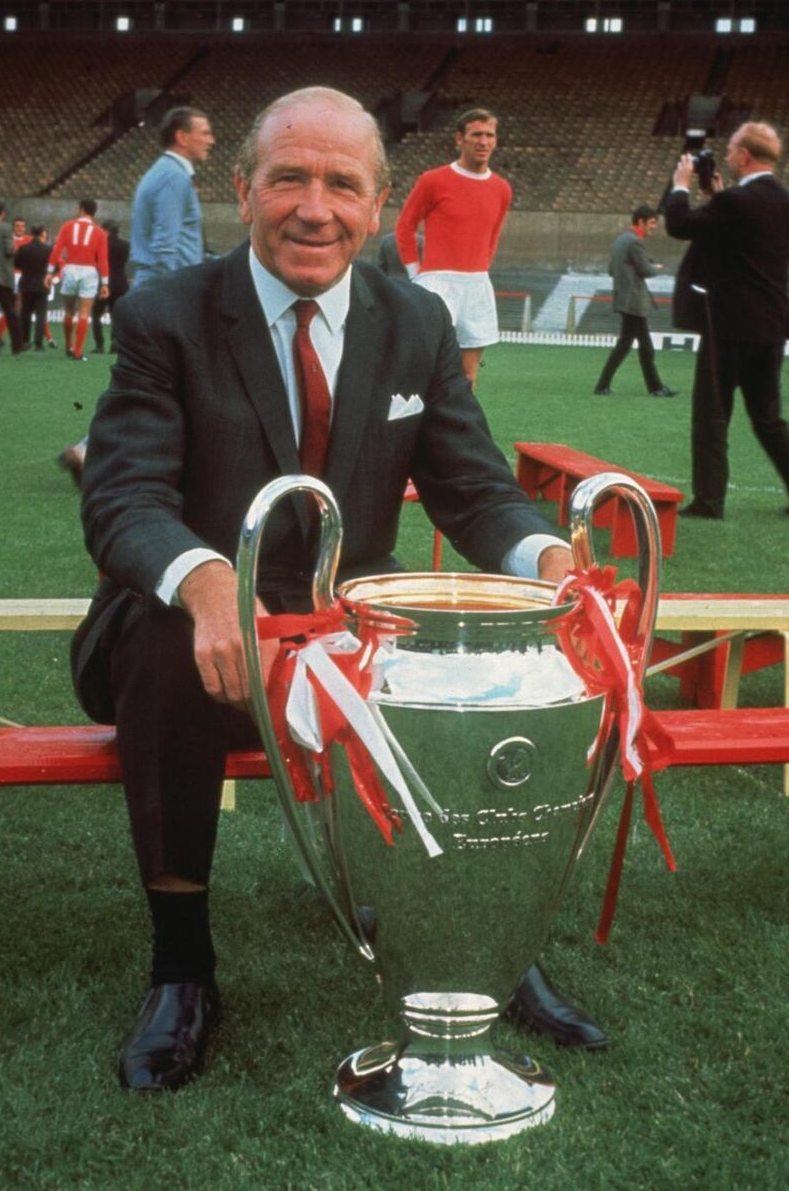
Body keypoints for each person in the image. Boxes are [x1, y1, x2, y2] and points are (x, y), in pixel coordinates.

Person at [71, 86, 605, 1094]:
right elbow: (123, 496)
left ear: (374, 202)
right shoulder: (164, 317)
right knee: (163, 641)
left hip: (343, 640)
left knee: (474, 659)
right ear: (242, 190)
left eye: (339, 184)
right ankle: (182, 968)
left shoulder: (414, 320)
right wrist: (203, 583)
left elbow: (474, 488)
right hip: (190, 637)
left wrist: (547, 564)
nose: (313, 207)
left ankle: (477, 948)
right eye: (288, 179)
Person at [665, 121, 789, 519]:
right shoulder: (780, 201)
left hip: (729, 325)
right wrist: (718, 196)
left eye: (733, 149)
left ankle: (710, 500)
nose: (729, 155)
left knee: (712, 414)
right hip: (770, 324)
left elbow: (679, 224)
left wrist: (681, 184)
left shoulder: (735, 202)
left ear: (745, 156)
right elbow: (743, 240)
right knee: (768, 417)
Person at [395, 108, 512, 388]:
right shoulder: (433, 181)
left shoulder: (501, 188)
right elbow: (404, 228)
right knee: (427, 369)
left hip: (476, 284)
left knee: (468, 375)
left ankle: (460, 430)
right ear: (460, 139)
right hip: (436, 283)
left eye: (489, 135)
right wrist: (416, 276)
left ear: (495, 141)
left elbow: (493, 237)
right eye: (476, 134)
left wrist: (480, 268)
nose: (483, 141)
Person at [593, 205, 678, 397]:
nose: (654, 227)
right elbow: (646, 271)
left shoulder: (621, 239)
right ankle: (655, 388)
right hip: (633, 301)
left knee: (626, 345)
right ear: (641, 221)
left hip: (624, 299)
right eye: (652, 223)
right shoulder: (634, 242)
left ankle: (604, 386)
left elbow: (611, 269)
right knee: (644, 346)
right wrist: (657, 267)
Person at [129, 106, 214, 287]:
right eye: (205, 134)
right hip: (167, 286)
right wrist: (173, 296)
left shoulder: (166, 171)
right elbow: (164, 247)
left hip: (160, 282)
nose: (211, 141)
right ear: (182, 137)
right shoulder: (173, 176)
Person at [46, 199, 109, 362]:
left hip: (70, 268)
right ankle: (78, 353)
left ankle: (68, 346)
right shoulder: (100, 232)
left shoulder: (67, 226)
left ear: (80, 209)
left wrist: (49, 272)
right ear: (94, 212)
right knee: (84, 311)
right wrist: (105, 283)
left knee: (68, 310)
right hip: (89, 271)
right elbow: (103, 259)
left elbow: (57, 250)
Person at [0, 201, 23, 356]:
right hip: (2, 276)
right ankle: (17, 344)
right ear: (2, 213)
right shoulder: (5, 228)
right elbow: (9, 250)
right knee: (10, 310)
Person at [91, 220, 129, 353]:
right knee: (116, 316)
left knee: (96, 314)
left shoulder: (100, 244)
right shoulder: (125, 245)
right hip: (120, 283)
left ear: (105, 230)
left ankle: (99, 345)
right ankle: (115, 345)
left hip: (104, 283)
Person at [15, 224, 51, 348]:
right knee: (41, 314)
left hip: (26, 283)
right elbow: (54, 267)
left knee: (25, 313)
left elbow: (17, 265)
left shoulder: (23, 248)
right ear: (42, 234)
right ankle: (38, 342)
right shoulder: (48, 249)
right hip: (42, 284)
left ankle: (25, 341)